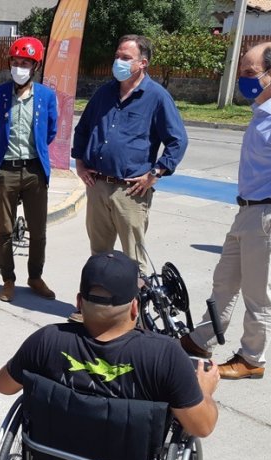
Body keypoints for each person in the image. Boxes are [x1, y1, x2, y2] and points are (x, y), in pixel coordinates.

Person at [181, 43, 271, 380]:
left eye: (249, 72)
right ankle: (203, 339)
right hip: (250, 211)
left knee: (259, 292)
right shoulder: (263, 109)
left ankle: (252, 358)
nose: (242, 79)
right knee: (225, 281)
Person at [0, 251, 219, 439]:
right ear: (134, 307)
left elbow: (3, 385)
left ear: (79, 302)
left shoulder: (46, 340)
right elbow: (202, 427)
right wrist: (205, 391)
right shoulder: (165, 356)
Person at [69, 34, 188, 322]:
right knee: (99, 256)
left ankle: (134, 319)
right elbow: (83, 129)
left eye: (126, 58)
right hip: (97, 185)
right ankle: (93, 311)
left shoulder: (156, 97)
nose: (118, 62)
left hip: (131, 191)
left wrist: (155, 173)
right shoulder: (104, 93)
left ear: (142, 63)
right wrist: (80, 163)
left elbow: (177, 141)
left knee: (134, 261)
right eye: (117, 56)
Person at [0, 37, 59, 303]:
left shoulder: (46, 96)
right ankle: (8, 279)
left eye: (25, 63)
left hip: (34, 171)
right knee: (4, 229)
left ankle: (35, 277)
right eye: (15, 62)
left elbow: (50, 131)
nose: (19, 67)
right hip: (5, 170)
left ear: (35, 67)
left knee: (38, 230)